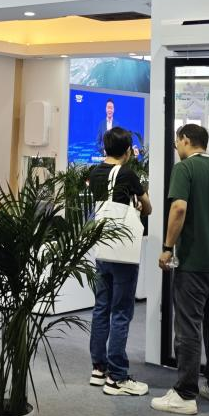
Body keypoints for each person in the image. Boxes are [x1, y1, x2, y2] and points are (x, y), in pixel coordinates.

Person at [152, 123, 209, 416]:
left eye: (176, 142)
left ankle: (184, 394)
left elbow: (179, 208)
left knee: (188, 327)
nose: (175, 147)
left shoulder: (184, 169)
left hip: (193, 263)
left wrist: (167, 247)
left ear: (185, 140)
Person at [86, 126, 152, 397]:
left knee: (101, 307)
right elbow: (148, 207)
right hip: (123, 249)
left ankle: (98, 368)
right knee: (121, 311)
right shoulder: (127, 174)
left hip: (102, 247)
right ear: (127, 151)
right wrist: (138, 205)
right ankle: (117, 377)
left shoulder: (94, 173)